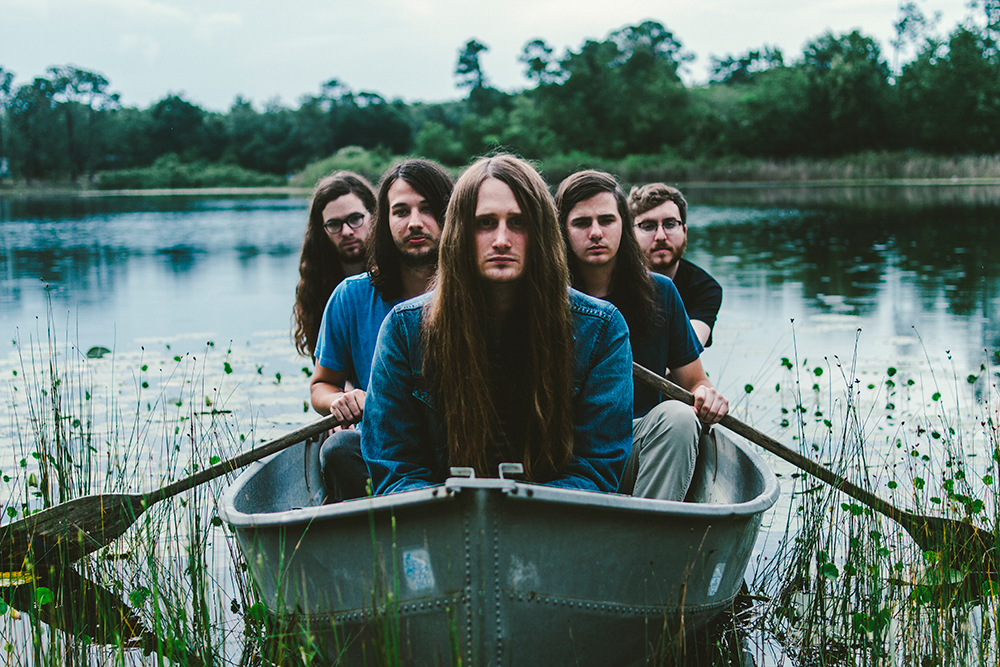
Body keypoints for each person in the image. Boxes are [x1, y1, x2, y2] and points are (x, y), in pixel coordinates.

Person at [361, 155, 633, 495]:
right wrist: (459, 519)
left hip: (557, 522)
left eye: (518, 223)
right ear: (460, 232)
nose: (502, 239)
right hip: (438, 523)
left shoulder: (602, 328)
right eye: (485, 223)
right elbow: (396, 469)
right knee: (343, 450)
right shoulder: (403, 329)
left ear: (542, 233)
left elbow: (595, 469)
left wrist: (520, 517)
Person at [557, 170, 728, 501]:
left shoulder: (660, 292)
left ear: (623, 225)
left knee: (679, 417)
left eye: (607, 220)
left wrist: (707, 395)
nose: (596, 233)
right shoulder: (542, 298)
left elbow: (695, 382)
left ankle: (646, 537)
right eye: (581, 223)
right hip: (561, 455)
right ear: (562, 229)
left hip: (634, 447)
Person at [309, 159, 454, 501]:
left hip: (462, 447)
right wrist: (341, 399)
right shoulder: (351, 296)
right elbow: (321, 384)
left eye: (428, 209)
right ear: (385, 222)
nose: (414, 223)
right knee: (339, 448)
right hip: (385, 453)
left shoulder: (474, 291)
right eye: (401, 212)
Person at [292, 171, 376, 358]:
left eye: (355, 219)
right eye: (334, 224)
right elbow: (324, 365)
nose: (346, 232)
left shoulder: (399, 274)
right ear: (322, 231)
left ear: (374, 215)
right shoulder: (316, 285)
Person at [628, 183, 722, 347]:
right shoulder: (613, 279)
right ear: (630, 235)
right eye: (648, 226)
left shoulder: (704, 287)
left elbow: (691, 346)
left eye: (670, 224)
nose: (660, 236)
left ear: (684, 232)